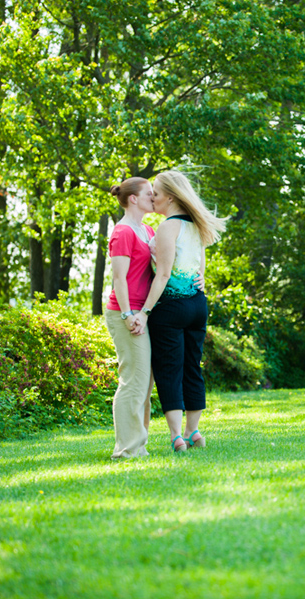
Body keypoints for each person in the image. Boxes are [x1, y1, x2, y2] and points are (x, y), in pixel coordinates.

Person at [133, 170, 228, 453]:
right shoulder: (196, 226)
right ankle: (193, 431)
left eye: (157, 194)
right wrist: (199, 281)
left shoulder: (168, 227)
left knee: (169, 369)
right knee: (192, 367)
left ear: (170, 197)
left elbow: (162, 275)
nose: (153, 198)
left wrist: (145, 311)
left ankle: (176, 435)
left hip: (171, 308)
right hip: (198, 305)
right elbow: (199, 267)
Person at [104, 177, 157, 459]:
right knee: (133, 380)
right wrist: (128, 315)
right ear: (133, 198)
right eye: (149, 193)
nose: (154, 196)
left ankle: (139, 444)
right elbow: (119, 278)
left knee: (144, 382)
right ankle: (125, 450)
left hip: (142, 314)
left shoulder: (147, 229)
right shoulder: (123, 231)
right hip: (124, 313)